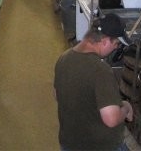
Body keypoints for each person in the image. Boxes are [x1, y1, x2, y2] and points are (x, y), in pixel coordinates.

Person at [54, 13, 134, 151]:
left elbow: (57, 94)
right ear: (105, 41)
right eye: (116, 44)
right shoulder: (101, 71)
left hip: (69, 144)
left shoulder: (63, 58)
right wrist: (126, 107)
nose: (116, 48)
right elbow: (111, 119)